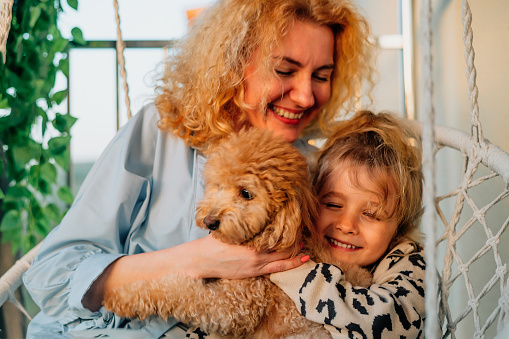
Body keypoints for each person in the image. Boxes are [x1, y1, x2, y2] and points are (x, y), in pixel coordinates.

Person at [23, 0, 375, 337]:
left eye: (322, 76)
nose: (305, 96)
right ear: (236, 62)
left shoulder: (313, 166)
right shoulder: (159, 132)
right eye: (285, 71)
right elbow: (51, 276)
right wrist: (199, 260)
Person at [269, 110, 426, 338]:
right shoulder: (298, 241)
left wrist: (289, 274)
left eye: (371, 214)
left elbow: (385, 322)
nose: (346, 225)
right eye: (333, 205)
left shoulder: (410, 261)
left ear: (400, 226)